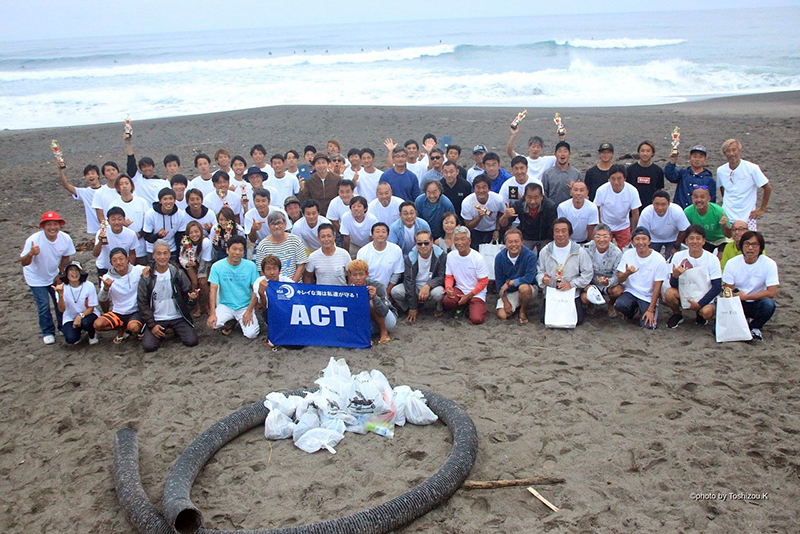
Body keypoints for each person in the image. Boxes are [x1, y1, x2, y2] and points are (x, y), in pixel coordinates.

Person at [21, 211, 75, 344]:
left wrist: (60, 273)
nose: (52, 228)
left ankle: (62, 326)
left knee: (60, 302)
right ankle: (47, 331)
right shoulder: (33, 240)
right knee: (43, 305)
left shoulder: (65, 238)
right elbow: (23, 262)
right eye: (49, 224)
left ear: (60, 225)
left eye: (55, 224)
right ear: (43, 226)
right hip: (35, 277)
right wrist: (31, 254)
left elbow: (66, 256)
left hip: (53, 274)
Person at [138, 240, 199, 352]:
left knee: (192, 341)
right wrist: (152, 325)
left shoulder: (177, 273)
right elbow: (142, 303)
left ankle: (177, 330)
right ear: (153, 255)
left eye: (165, 253)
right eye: (159, 253)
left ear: (170, 254)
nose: (162, 257)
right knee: (149, 347)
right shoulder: (147, 276)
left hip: (178, 317)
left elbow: (187, 296)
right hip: (157, 319)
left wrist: (192, 299)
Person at [721, 231, 778, 340]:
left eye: (754, 244)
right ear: (741, 246)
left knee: (769, 305)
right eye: (747, 244)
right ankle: (742, 322)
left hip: (757, 301)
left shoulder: (769, 264)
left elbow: (772, 292)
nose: (750, 248)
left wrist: (747, 297)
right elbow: (728, 287)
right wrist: (737, 295)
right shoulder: (732, 263)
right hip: (737, 301)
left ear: (760, 247)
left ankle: (754, 327)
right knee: (717, 331)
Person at [536, 218, 594, 325]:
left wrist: (571, 284)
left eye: (564, 231)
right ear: (553, 233)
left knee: (578, 320)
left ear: (570, 233)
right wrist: (543, 279)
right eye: (557, 231)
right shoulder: (546, 250)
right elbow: (539, 271)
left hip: (571, 292)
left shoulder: (579, 251)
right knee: (545, 320)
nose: (560, 234)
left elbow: (587, 273)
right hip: (552, 292)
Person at [663, 225, 722, 328]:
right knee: (669, 294)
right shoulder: (678, 256)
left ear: (703, 241)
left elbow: (717, 286)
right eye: (691, 238)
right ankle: (677, 314)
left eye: (698, 238)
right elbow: (673, 284)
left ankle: (700, 314)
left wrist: (699, 304)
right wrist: (675, 276)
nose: (695, 241)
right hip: (685, 293)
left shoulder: (712, 259)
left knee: (707, 312)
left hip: (704, 295)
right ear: (686, 241)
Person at [614, 227, 669, 329]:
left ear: (649, 241)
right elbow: (620, 279)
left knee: (648, 326)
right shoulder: (628, 254)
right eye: (637, 239)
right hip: (631, 292)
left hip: (648, 296)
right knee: (620, 305)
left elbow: (657, 287)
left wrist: (650, 310)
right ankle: (632, 311)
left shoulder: (659, 259)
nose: (640, 242)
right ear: (632, 242)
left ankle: (646, 309)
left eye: (644, 239)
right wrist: (627, 273)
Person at [207, 235, 259, 338]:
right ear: (227, 250)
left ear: (243, 252)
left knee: (251, 334)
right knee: (214, 324)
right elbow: (213, 290)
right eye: (234, 249)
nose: (237, 253)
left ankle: (238, 320)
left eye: (240, 250)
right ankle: (231, 320)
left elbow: (255, 290)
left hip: (244, 306)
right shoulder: (217, 266)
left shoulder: (251, 266)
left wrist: (249, 310)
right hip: (225, 305)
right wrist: (212, 313)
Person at [95, 247, 148, 343]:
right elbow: (102, 299)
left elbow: (151, 269)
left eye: (121, 259)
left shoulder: (137, 270)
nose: (118, 262)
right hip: (118, 312)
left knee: (134, 327)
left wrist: (147, 270)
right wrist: (106, 288)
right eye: (114, 260)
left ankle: (137, 329)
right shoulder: (107, 277)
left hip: (135, 310)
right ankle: (121, 327)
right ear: (111, 263)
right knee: (98, 324)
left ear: (127, 259)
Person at [391, 230, 446, 322]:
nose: (423, 246)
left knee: (439, 293)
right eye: (419, 243)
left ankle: (438, 308)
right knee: (395, 291)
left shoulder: (441, 255)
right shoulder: (410, 258)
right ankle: (411, 307)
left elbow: (441, 277)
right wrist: (413, 307)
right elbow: (409, 281)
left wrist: (428, 285)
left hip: (432, 286)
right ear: (416, 244)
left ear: (432, 242)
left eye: (426, 243)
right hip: (415, 286)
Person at [717, 139, 772, 231]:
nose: (731, 153)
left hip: (748, 217)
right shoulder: (721, 171)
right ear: (724, 153)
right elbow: (722, 188)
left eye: (734, 150)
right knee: (729, 243)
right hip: (728, 216)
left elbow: (767, 187)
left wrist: (762, 209)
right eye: (728, 151)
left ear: (739, 151)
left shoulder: (752, 168)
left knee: (749, 243)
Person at [442, 226, 489, 324]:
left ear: (469, 241)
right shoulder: (451, 256)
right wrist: (448, 287)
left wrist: (469, 295)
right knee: (447, 301)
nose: (459, 243)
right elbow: (449, 276)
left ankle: (471, 306)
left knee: (477, 319)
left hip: (476, 292)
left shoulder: (477, 258)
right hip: (460, 289)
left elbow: (484, 281)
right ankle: (463, 306)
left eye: (463, 239)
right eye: (456, 239)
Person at [347, 259, 396, 344]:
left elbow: (384, 311)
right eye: (355, 275)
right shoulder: (349, 291)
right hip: (368, 321)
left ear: (366, 274)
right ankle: (366, 335)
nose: (358, 278)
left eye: (361, 274)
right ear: (350, 276)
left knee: (370, 303)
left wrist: (375, 297)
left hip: (386, 319)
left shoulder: (377, 286)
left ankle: (384, 332)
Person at [495, 228, 538, 324]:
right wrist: (505, 301)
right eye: (510, 242)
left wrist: (511, 283)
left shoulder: (530, 256)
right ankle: (515, 305)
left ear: (522, 242)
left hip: (528, 287)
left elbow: (529, 278)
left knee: (524, 289)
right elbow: (499, 283)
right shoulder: (499, 258)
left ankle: (523, 311)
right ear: (505, 244)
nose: (514, 245)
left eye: (516, 241)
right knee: (502, 315)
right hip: (509, 291)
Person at [594, 164, 641, 248]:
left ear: (624, 179)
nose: (616, 182)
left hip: (623, 225)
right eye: (613, 179)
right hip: (606, 224)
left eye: (619, 178)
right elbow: (596, 208)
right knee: (604, 248)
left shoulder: (632, 191)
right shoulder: (602, 190)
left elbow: (635, 212)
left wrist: (633, 231)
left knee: (626, 250)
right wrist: (599, 225)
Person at [501, 182, 556, 253]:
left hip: (545, 237)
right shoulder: (519, 205)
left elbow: (552, 228)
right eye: (529, 197)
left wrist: (547, 247)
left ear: (542, 197)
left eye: (536, 197)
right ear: (524, 197)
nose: (532, 201)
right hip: (526, 237)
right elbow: (503, 224)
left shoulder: (550, 207)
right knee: (520, 254)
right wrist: (505, 216)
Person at [581, 223, 624, 315]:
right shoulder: (586, 249)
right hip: (591, 281)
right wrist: (586, 285)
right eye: (598, 236)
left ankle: (611, 304)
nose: (601, 240)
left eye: (605, 236)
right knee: (584, 298)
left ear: (610, 237)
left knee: (618, 291)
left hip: (608, 282)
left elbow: (617, 274)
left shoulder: (617, 252)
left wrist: (608, 282)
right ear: (593, 237)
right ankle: (591, 304)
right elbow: (580, 269)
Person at [253, 211, 307, 282]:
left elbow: (301, 265)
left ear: (285, 224)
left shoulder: (295, 240)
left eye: (279, 223)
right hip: (272, 286)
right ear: (269, 226)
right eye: (273, 224)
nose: (276, 226)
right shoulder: (263, 245)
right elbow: (261, 270)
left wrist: (292, 284)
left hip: (294, 285)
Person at [53, 261, 99, 345]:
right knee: (71, 339)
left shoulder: (89, 285)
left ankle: (92, 335)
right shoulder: (61, 288)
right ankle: (78, 332)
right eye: (71, 270)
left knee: (86, 323)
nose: (74, 273)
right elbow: (62, 309)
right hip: (70, 317)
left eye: (77, 270)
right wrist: (60, 294)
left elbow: (91, 308)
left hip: (87, 314)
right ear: (66, 273)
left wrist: (79, 317)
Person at [108, 174, 150, 263]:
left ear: (131, 186)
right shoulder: (114, 205)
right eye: (121, 184)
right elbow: (110, 225)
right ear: (118, 188)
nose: (124, 186)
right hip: (124, 250)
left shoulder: (142, 202)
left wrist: (140, 234)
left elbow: (148, 222)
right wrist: (122, 225)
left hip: (142, 247)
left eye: (126, 183)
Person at [254, 254, 294, 347]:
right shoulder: (259, 282)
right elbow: (265, 305)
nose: (272, 272)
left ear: (279, 270)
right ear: (263, 271)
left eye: (274, 268)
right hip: (271, 311)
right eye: (268, 269)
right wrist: (261, 292)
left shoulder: (287, 281)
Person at [637, 190, 690, 258]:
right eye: (657, 204)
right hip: (653, 238)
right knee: (651, 259)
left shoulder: (677, 211)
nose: (660, 208)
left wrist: (676, 246)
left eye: (663, 204)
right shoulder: (646, 213)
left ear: (669, 204)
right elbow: (642, 232)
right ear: (652, 203)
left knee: (673, 259)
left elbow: (684, 230)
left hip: (673, 238)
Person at [356, 222, 404, 295]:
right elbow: (360, 275)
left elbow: (396, 273)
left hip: (387, 288)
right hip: (368, 289)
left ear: (388, 235)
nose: (381, 234)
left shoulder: (396, 250)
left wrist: (387, 292)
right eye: (377, 232)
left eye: (383, 232)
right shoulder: (363, 251)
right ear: (372, 235)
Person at [57, 161, 102, 234]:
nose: (90, 176)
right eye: (88, 174)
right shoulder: (84, 192)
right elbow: (66, 185)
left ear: (98, 175)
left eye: (93, 173)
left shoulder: (106, 189)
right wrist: (61, 170)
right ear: (85, 177)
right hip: (93, 230)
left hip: (109, 227)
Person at [124, 132, 170, 205]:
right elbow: (131, 161)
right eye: (144, 167)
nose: (147, 169)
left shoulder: (162, 183)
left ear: (153, 167)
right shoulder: (137, 179)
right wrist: (128, 142)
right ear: (141, 169)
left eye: (149, 166)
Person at [665, 145, 716, 209]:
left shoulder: (709, 180)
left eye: (701, 157)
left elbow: (711, 202)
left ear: (705, 160)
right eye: (694, 156)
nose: (697, 159)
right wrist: (672, 162)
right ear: (689, 158)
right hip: (681, 212)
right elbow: (670, 176)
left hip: (697, 214)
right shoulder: (682, 173)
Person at [461, 175, 505, 249]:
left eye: (484, 187)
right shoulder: (467, 202)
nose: (481, 191)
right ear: (474, 189)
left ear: (489, 188)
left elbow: (501, 213)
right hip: (476, 231)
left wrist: (497, 229)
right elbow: (468, 226)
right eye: (478, 187)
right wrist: (479, 217)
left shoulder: (498, 199)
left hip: (493, 229)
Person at [179, 221, 212, 317]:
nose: (194, 235)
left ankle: (207, 305)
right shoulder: (185, 242)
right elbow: (181, 257)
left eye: (196, 231)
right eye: (191, 232)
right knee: (194, 283)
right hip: (191, 264)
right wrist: (187, 263)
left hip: (204, 263)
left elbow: (206, 260)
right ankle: (198, 307)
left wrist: (201, 274)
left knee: (203, 282)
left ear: (201, 231)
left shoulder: (205, 242)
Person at [142, 187, 185, 262]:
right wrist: (158, 235)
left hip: (172, 249)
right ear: (160, 201)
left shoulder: (180, 214)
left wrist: (179, 254)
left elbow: (180, 236)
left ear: (175, 200)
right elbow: (147, 236)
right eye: (165, 199)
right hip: (153, 249)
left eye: (170, 199)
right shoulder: (150, 214)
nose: (168, 202)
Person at [684, 186, 730, 255]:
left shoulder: (718, 211)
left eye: (702, 197)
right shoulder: (688, 212)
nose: (699, 200)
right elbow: (685, 232)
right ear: (692, 198)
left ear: (708, 199)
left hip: (721, 239)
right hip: (704, 240)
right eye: (696, 197)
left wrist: (724, 226)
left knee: (721, 256)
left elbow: (729, 235)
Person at [93, 206, 138, 277]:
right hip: (105, 268)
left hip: (122, 268)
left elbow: (132, 253)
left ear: (124, 220)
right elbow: (95, 254)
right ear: (108, 221)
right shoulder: (102, 232)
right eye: (113, 219)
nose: (116, 222)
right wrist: (100, 242)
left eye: (119, 219)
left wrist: (129, 268)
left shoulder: (131, 234)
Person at [626, 141, 664, 208]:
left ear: (652, 153)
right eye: (642, 151)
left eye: (648, 151)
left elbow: (659, 191)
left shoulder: (658, 171)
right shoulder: (630, 170)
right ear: (638, 153)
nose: (645, 154)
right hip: (634, 207)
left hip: (651, 208)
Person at [542, 141, 581, 206]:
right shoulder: (547, 174)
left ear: (569, 154)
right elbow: (544, 194)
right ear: (555, 154)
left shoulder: (576, 174)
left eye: (565, 151)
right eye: (559, 151)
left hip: (570, 209)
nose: (562, 154)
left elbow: (581, 194)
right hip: (553, 209)